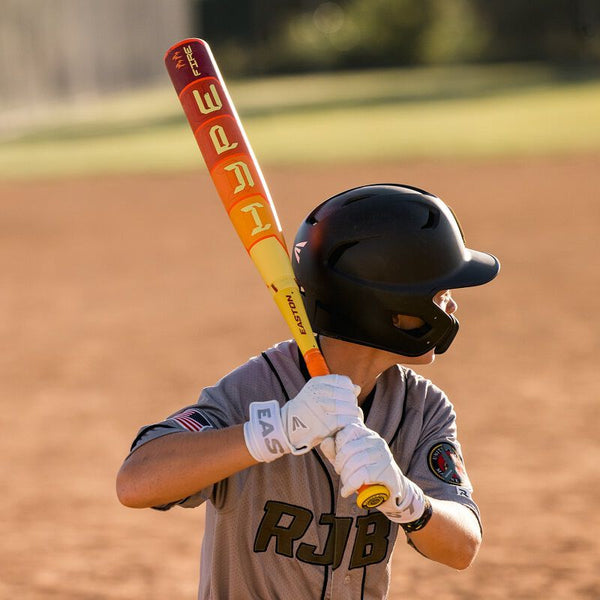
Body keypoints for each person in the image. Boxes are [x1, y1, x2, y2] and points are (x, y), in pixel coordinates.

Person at [116, 184, 500, 599]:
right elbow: (136, 482)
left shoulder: (422, 408)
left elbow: (463, 548)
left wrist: (409, 502)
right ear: (388, 306)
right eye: (439, 294)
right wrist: (272, 432)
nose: (451, 306)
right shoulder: (254, 391)